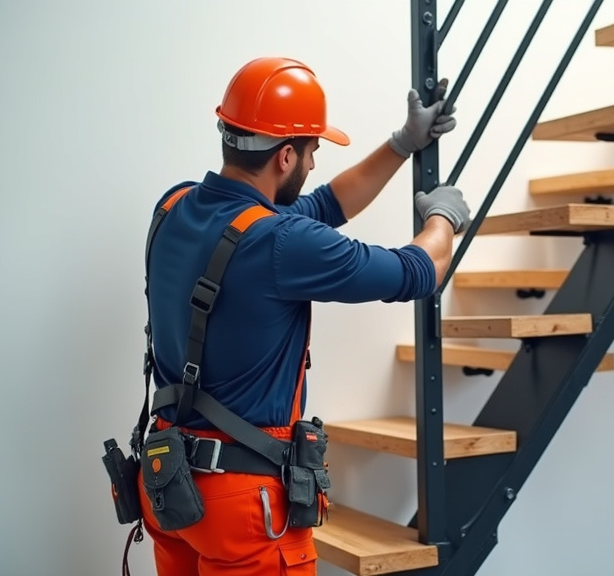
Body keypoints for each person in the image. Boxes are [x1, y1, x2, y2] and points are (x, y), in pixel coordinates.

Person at [136, 56, 470, 576]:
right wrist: (444, 218)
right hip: (240, 505)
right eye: (312, 151)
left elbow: (325, 205)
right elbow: (417, 271)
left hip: (168, 482)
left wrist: (403, 144)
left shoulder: (175, 207)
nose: (314, 164)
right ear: (286, 157)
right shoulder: (280, 242)